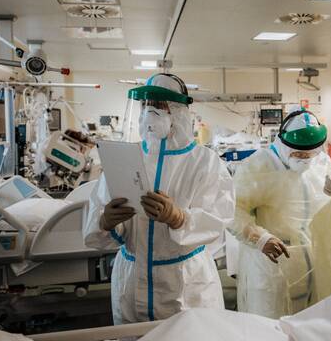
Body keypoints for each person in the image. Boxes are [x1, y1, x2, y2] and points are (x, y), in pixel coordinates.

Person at [83, 73, 235, 324]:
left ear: (179, 112)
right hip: (131, 280)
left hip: (185, 283)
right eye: (146, 105)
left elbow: (219, 219)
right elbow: (96, 221)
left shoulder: (204, 162)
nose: (150, 112)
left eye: (160, 106)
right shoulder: (124, 158)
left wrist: (180, 218)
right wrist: (106, 221)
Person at [232, 108, 331, 318]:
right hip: (271, 263)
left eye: (310, 154)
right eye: (298, 154)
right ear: (283, 143)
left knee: (311, 324)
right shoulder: (258, 166)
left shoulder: (320, 162)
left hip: (312, 261)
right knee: (270, 326)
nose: (305, 159)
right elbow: (233, 210)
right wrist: (258, 237)